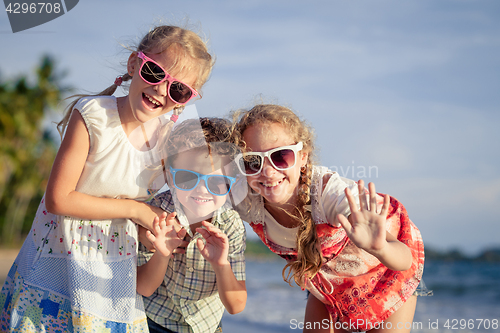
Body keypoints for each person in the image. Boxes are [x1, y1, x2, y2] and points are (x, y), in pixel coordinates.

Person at [0, 25, 214, 332]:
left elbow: (198, 186)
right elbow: (59, 199)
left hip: (111, 273)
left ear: (186, 99)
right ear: (133, 64)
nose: (161, 90)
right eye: (155, 72)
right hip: (57, 260)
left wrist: (163, 231)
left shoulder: (171, 141)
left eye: (178, 88)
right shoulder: (94, 114)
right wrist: (137, 210)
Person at [232, 104, 426, 333]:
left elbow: (404, 259)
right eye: (253, 161)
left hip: (387, 273)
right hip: (332, 286)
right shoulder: (247, 199)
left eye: (280, 157)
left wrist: (381, 247)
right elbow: (199, 194)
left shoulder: (330, 195)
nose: (268, 171)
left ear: (302, 157)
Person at [137, 117, 247, 333]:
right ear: (169, 176)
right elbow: (144, 288)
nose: (202, 189)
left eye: (216, 182)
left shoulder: (231, 225)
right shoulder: (157, 211)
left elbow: (236, 306)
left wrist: (221, 264)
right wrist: (162, 253)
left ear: (230, 184)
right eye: (188, 177)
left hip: (207, 327)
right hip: (154, 322)